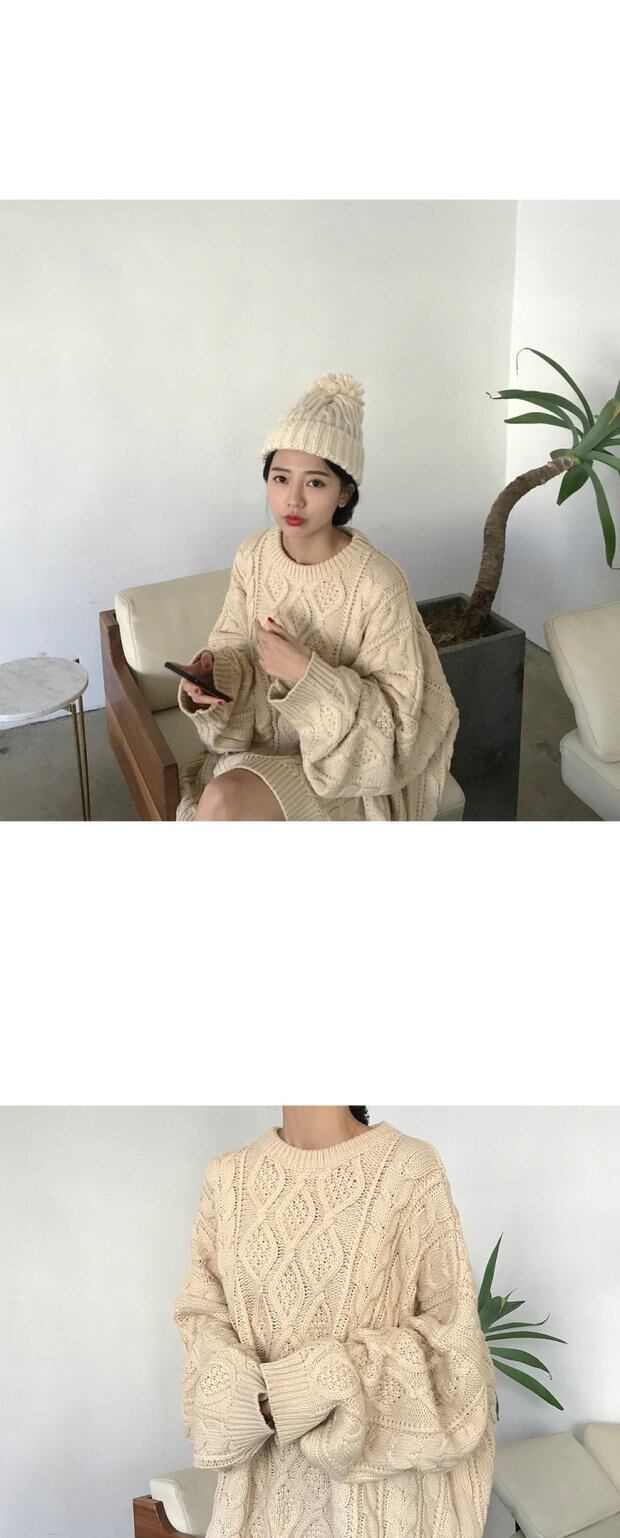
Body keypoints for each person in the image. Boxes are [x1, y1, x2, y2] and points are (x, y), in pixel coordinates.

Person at [172, 1107, 497, 1538]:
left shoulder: (409, 1168)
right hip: (252, 1512)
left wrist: (311, 1386)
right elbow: (201, 1323)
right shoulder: (226, 1178)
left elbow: (456, 1355)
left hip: (377, 1513)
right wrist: (256, 1403)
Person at [175, 372, 460, 821]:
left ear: (344, 493)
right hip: (261, 751)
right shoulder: (253, 555)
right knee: (222, 802)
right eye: (280, 478)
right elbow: (233, 645)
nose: (293, 500)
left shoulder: (379, 582)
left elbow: (397, 721)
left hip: (343, 772)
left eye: (315, 483)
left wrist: (306, 674)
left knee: (223, 804)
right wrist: (213, 675)